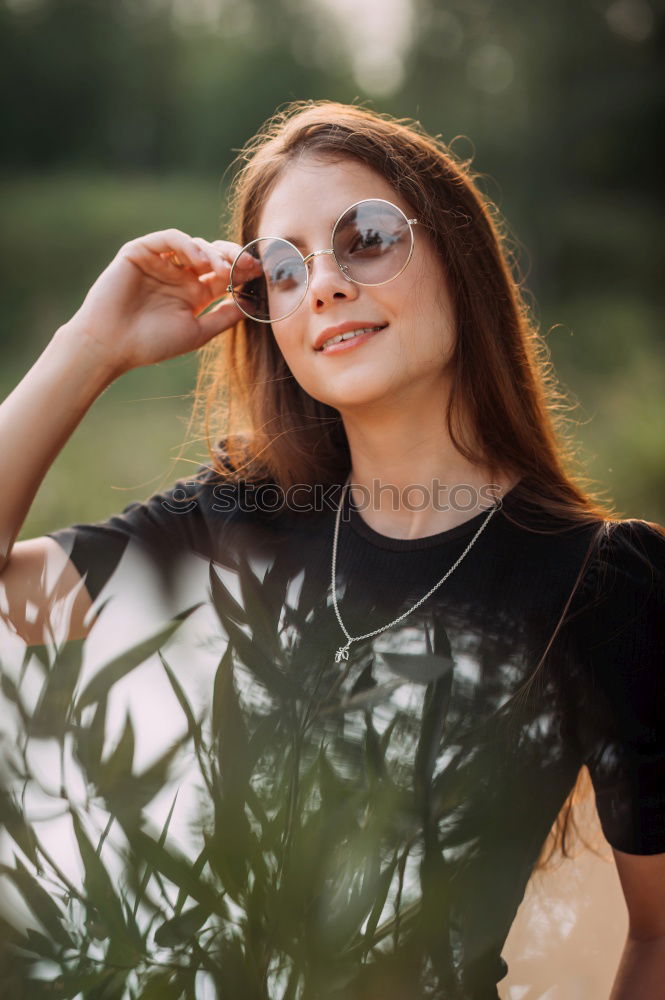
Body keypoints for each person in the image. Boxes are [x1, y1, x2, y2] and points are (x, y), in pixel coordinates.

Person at [1, 101, 663, 998]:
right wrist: (88, 347)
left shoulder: (605, 585)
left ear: (459, 257)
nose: (321, 283)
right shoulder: (237, 520)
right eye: (281, 268)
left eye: (368, 238)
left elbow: (657, 935)